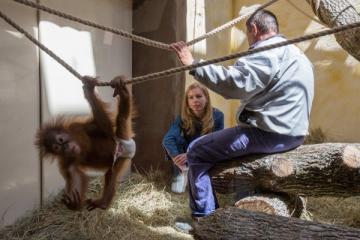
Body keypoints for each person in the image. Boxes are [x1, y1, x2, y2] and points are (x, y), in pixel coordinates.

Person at [171, 9, 314, 219]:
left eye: (247, 35)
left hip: (270, 134)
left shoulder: (267, 51)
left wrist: (194, 66)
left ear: (254, 29)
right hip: (295, 134)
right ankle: (241, 210)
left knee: (196, 150)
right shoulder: (296, 53)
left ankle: (205, 219)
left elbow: (235, 83)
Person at [162, 83, 224, 193]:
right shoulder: (182, 118)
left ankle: (199, 178)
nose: (195, 100)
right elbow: (168, 139)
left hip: (206, 153)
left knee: (216, 145)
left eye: (199, 96)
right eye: (191, 98)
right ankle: (183, 173)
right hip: (186, 159)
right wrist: (179, 161)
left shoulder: (218, 116)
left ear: (206, 99)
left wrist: (191, 154)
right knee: (175, 141)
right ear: (187, 103)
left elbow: (217, 144)